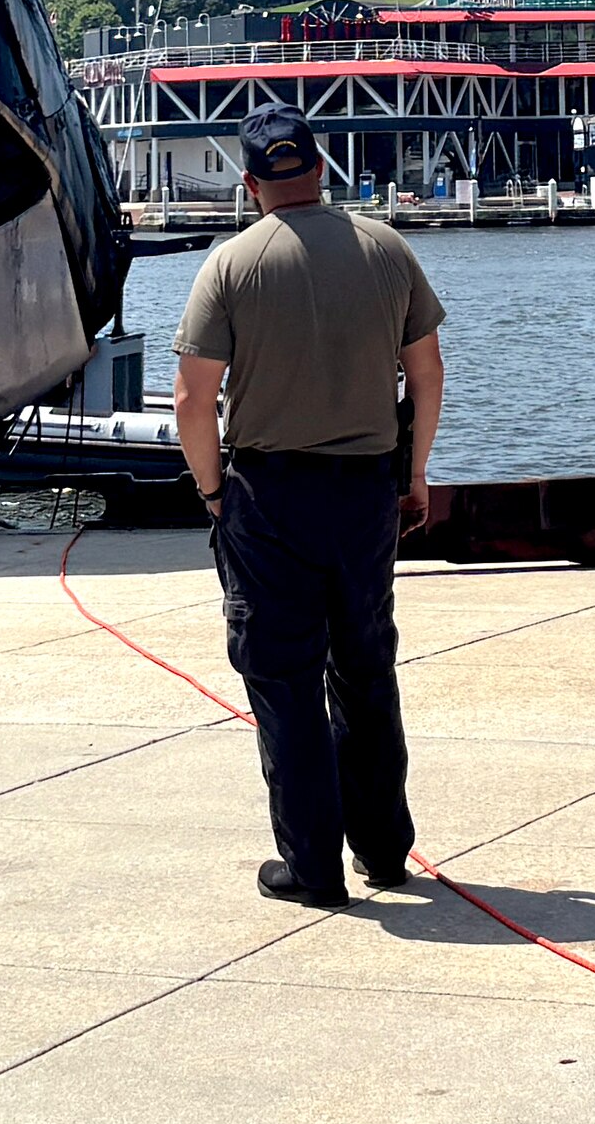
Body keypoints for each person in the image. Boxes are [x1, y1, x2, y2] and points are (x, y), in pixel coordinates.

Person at [169, 104, 444, 906]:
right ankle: (387, 850)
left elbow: (194, 398)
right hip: (365, 489)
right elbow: (425, 372)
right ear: (321, 168)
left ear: (251, 184)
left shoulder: (229, 266)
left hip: (270, 492)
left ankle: (312, 866)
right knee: (365, 668)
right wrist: (413, 471)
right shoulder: (386, 248)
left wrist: (213, 488)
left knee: (283, 678)